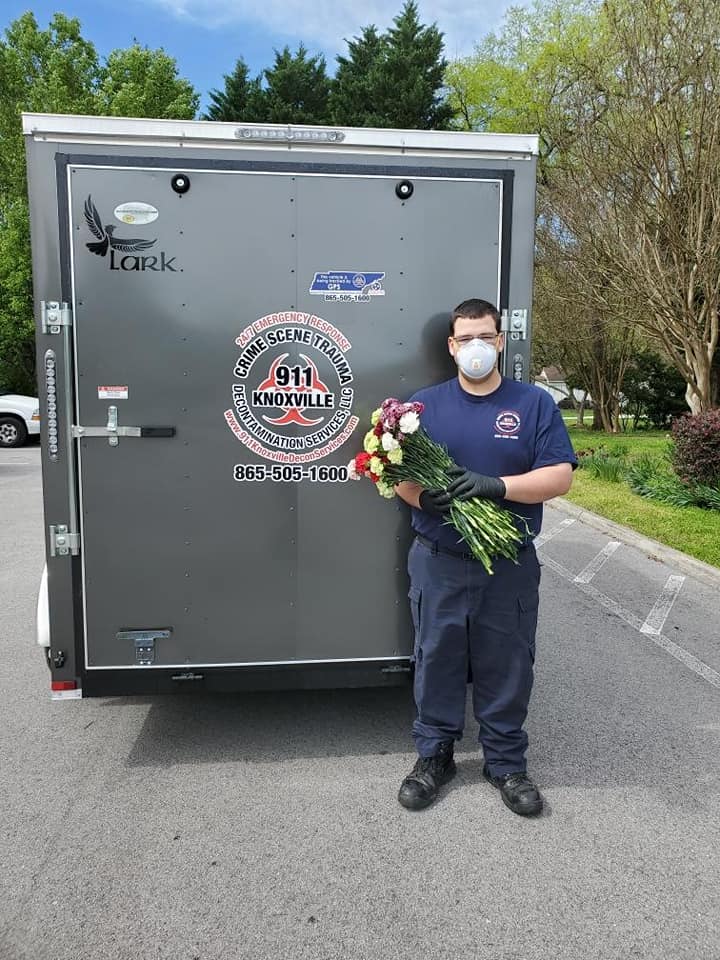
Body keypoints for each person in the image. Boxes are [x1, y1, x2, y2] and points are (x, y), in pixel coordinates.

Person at [394, 298, 577, 816]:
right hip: (439, 559)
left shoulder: (533, 403)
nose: (475, 346)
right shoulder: (422, 409)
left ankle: (505, 763)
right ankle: (435, 757)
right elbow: (398, 475)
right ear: (452, 347)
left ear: (500, 341)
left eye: (484, 337)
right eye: (465, 338)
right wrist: (422, 498)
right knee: (436, 658)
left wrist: (497, 486)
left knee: (508, 660)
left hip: (508, 563)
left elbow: (559, 476)